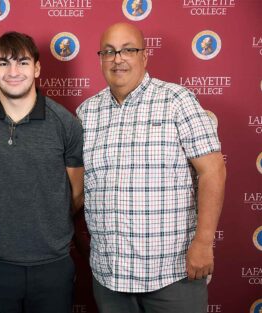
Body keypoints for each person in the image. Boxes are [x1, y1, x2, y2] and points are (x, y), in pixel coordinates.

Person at [77, 23, 226, 313]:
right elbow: (79, 188)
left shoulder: (177, 100)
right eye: (109, 52)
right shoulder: (86, 112)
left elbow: (213, 171)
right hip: (110, 277)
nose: (118, 58)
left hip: (173, 274)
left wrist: (204, 242)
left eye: (128, 50)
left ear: (144, 56)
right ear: (100, 59)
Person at [0, 31, 84, 313]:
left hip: (52, 265)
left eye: (22, 62)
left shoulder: (65, 123)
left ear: (37, 67)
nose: (13, 71)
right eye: (4, 63)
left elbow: (76, 194)